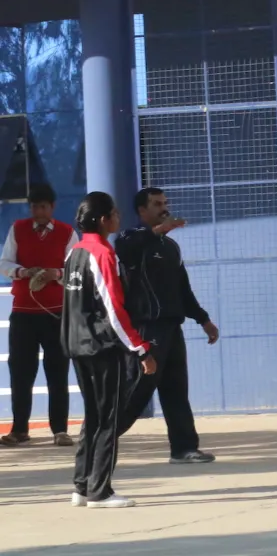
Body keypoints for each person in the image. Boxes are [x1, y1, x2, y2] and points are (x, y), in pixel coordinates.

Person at [62, 192, 157, 508]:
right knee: (108, 419)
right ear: (104, 220)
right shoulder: (102, 253)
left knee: (93, 415)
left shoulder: (74, 252)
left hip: (77, 344)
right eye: (115, 213)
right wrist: (140, 349)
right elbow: (113, 308)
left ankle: (82, 485)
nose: (119, 217)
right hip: (101, 347)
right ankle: (100, 491)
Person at [115, 188, 218, 464]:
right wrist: (159, 230)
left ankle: (184, 448)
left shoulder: (171, 247)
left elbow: (183, 289)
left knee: (176, 390)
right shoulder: (130, 237)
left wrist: (203, 319)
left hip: (172, 327)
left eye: (165, 203)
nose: (164, 208)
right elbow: (124, 248)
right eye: (157, 204)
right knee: (137, 389)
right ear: (142, 211)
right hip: (147, 328)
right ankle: (101, 434)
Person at [0, 183, 76, 446]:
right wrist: (22, 272)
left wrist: (57, 274)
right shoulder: (18, 229)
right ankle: (20, 429)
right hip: (23, 312)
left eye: (43, 207)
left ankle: (60, 430)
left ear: (52, 207)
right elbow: (4, 263)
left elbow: (77, 270)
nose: (38, 212)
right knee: (21, 371)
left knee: (57, 371)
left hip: (56, 313)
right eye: (34, 207)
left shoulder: (67, 233)